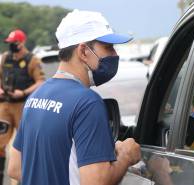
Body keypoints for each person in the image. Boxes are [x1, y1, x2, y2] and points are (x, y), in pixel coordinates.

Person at [7, 10, 141, 185]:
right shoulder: (87, 102)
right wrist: (125, 155)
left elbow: (15, 168)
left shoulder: (35, 97)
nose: (115, 55)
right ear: (83, 51)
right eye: (108, 47)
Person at [0, 29, 45, 184]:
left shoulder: (32, 59)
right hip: (5, 106)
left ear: (22, 42)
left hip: (23, 106)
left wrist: (23, 92)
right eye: (10, 43)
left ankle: (20, 180)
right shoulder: (5, 58)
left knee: (25, 145)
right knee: (0, 143)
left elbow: (41, 82)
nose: (11, 46)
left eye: (14, 43)